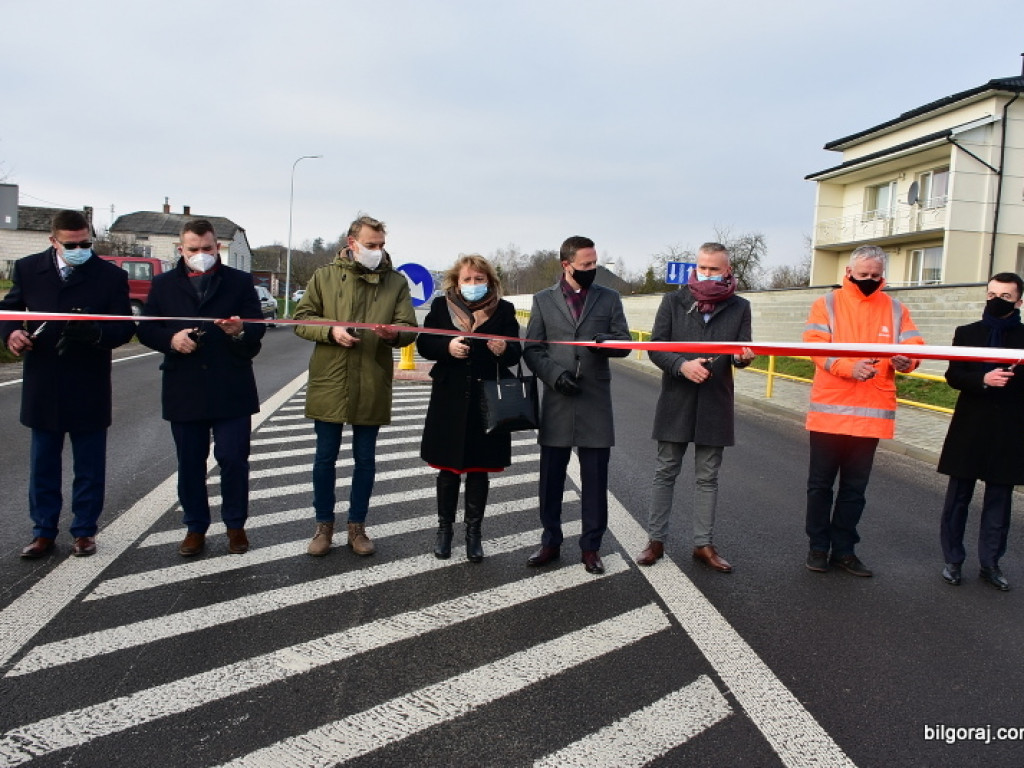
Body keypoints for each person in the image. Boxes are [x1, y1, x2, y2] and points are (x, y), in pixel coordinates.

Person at [0, 210, 135, 558]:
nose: (80, 249)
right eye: (71, 244)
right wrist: (11, 334)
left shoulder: (109, 276)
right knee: (43, 464)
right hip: (43, 381)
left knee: (89, 465)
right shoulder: (29, 269)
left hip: (88, 381)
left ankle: (85, 531)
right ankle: (43, 531)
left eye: (86, 243)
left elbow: (124, 328)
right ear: (53, 241)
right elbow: (10, 311)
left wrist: (96, 332)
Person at [137, 219, 265, 557]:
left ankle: (236, 525)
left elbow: (256, 332)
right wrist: (171, 339)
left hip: (231, 388)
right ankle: (195, 527)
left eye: (207, 248)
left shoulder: (238, 282)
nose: (201, 255)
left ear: (216, 247)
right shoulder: (163, 284)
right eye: (194, 249)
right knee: (190, 462)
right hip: (185, 389)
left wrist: (239, 331)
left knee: (233, 459)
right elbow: (147, 329)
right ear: (181, 249)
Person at [294, 214, 417, 557]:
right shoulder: (324, 277)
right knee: (324, 457)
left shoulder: (396, 282)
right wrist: (331, 330)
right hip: (331, 378)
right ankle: (323, 527)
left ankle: (357, 527)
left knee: (365, 459)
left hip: (372, 379)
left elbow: (409, 327)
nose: (376, 251)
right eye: (370, 245)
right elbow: (301, 320)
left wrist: (395, 334)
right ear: (352, 243)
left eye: (380, 245)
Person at [803, 244, 924, 576]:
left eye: (875, 275)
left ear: (882, 275)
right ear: (848, 273)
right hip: (830, 413)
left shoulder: (896, 309)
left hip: (870, 414)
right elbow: (814, 348)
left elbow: (914, 347)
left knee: (855, 490)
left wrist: (907, 361)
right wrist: (847, 367)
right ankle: (817, 547)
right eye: (863, 275)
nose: (869, 280)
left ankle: (844, 550)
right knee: (820, 486)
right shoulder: (826, 304)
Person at [636, 242, 755, 573]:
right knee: (665, 471)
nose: (706, 273)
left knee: (708, 477)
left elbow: (739, 353)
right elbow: (656, 347)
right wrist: (681, 365)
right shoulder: (673, 301)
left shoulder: (740, 307)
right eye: (702, 267)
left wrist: (743, 359)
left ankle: (703, 544)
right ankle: (655, 540)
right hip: (677, 399)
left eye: (714, 269)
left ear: (727, 271)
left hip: (715, 401)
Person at [522, 236, 631, 575]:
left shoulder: (609, 298)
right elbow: (532, 349)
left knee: (596, 479)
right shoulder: (543, 301)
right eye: (585, 265)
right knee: (550, 478)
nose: (591, 270)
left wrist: (607, 344)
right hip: (558, 398)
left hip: (595, 400)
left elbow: (625, 343)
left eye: (594, 264)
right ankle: (550, 541)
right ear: (566, 265)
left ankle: (591, 547)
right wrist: (554, 376)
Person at [417, 254, 522, 562]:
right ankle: (444, 532)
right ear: (456, 282)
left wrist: (505, 349)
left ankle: (474, 534)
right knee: (447, 470)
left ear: (489, 281)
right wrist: (447, 348)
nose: (473, 284)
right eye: (468, 279)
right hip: (449, 398)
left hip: (487, 401)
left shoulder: (504, 310)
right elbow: (425, 344)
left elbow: (515, 351)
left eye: (479, 279)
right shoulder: (440, 307)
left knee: (479, 470)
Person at [937, 273, 1024, 591]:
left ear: (1019, 301)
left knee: (999, 500)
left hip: (1009, 429)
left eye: (1004, 296)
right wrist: (984, 380)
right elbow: (955, 374)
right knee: (958, 496)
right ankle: (953, 560)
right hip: (970, 427)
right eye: (991, 294)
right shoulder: (967, 332)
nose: (995, 301)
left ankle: (990, 563)